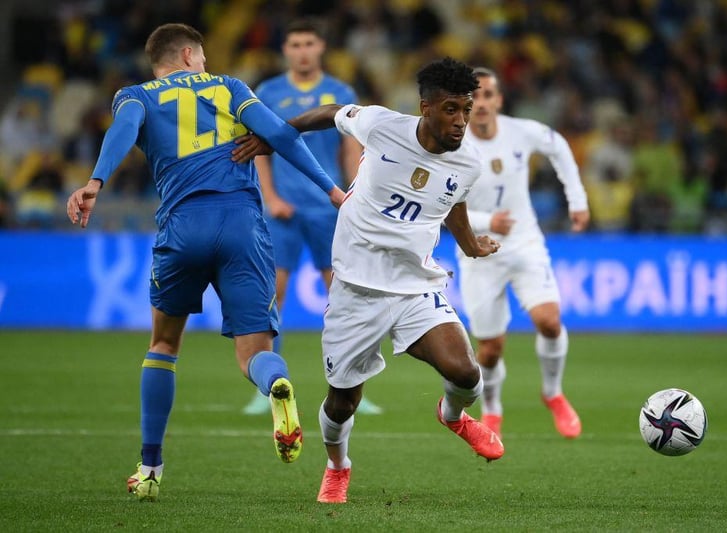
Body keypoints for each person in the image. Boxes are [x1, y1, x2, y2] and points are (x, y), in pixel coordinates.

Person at [65, 23, 344, 502]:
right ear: (192, 54)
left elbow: (124, 130)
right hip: (241, 226)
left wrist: (95, 182)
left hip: (182, 226)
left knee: (164, 345)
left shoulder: (135, 95)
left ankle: (150, 467)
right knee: (254, 351)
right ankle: (276, 380)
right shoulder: (230, 86)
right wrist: (333, 189)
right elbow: (280, 135)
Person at [240, 57, 506, 504]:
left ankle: (453, 415)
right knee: (342, 402)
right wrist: (278, 135)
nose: (461, 121)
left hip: (414, 286)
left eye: (466, 109)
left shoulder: (468, 163)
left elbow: (452, 200)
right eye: (450, 110)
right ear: (426, 108)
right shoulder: (381, 125)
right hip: (355, 291)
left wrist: (469, 245)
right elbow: (329, 112)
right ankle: (337, 466)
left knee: (465, 373)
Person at [241, 19, 382, 416]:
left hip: (328, 206)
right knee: (273, 296)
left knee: (344, 296)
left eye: (309, 43)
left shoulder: (340, 92)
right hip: (283, 209)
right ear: (286, 50)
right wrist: (269, 196)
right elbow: (261, 148)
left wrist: (354, 192)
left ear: (321, 48)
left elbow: (350, 149)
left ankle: (353, 386)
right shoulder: (268, 92)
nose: (302, 50)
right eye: (295, 44)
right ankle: (266, 387)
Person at [457, 67, 589, 440]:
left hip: (524, 243)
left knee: (550, 321)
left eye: (487, 95)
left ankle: (553, 393)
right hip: (477, 250)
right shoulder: (454, 143)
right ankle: (493, 408)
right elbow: (444, 202)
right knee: (491, 349)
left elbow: (559, 146)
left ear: (498, 100)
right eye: (473, 97)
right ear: (464, 103)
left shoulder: (521, 131)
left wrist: (577, 199)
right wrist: (485, 220)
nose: (480, 103)